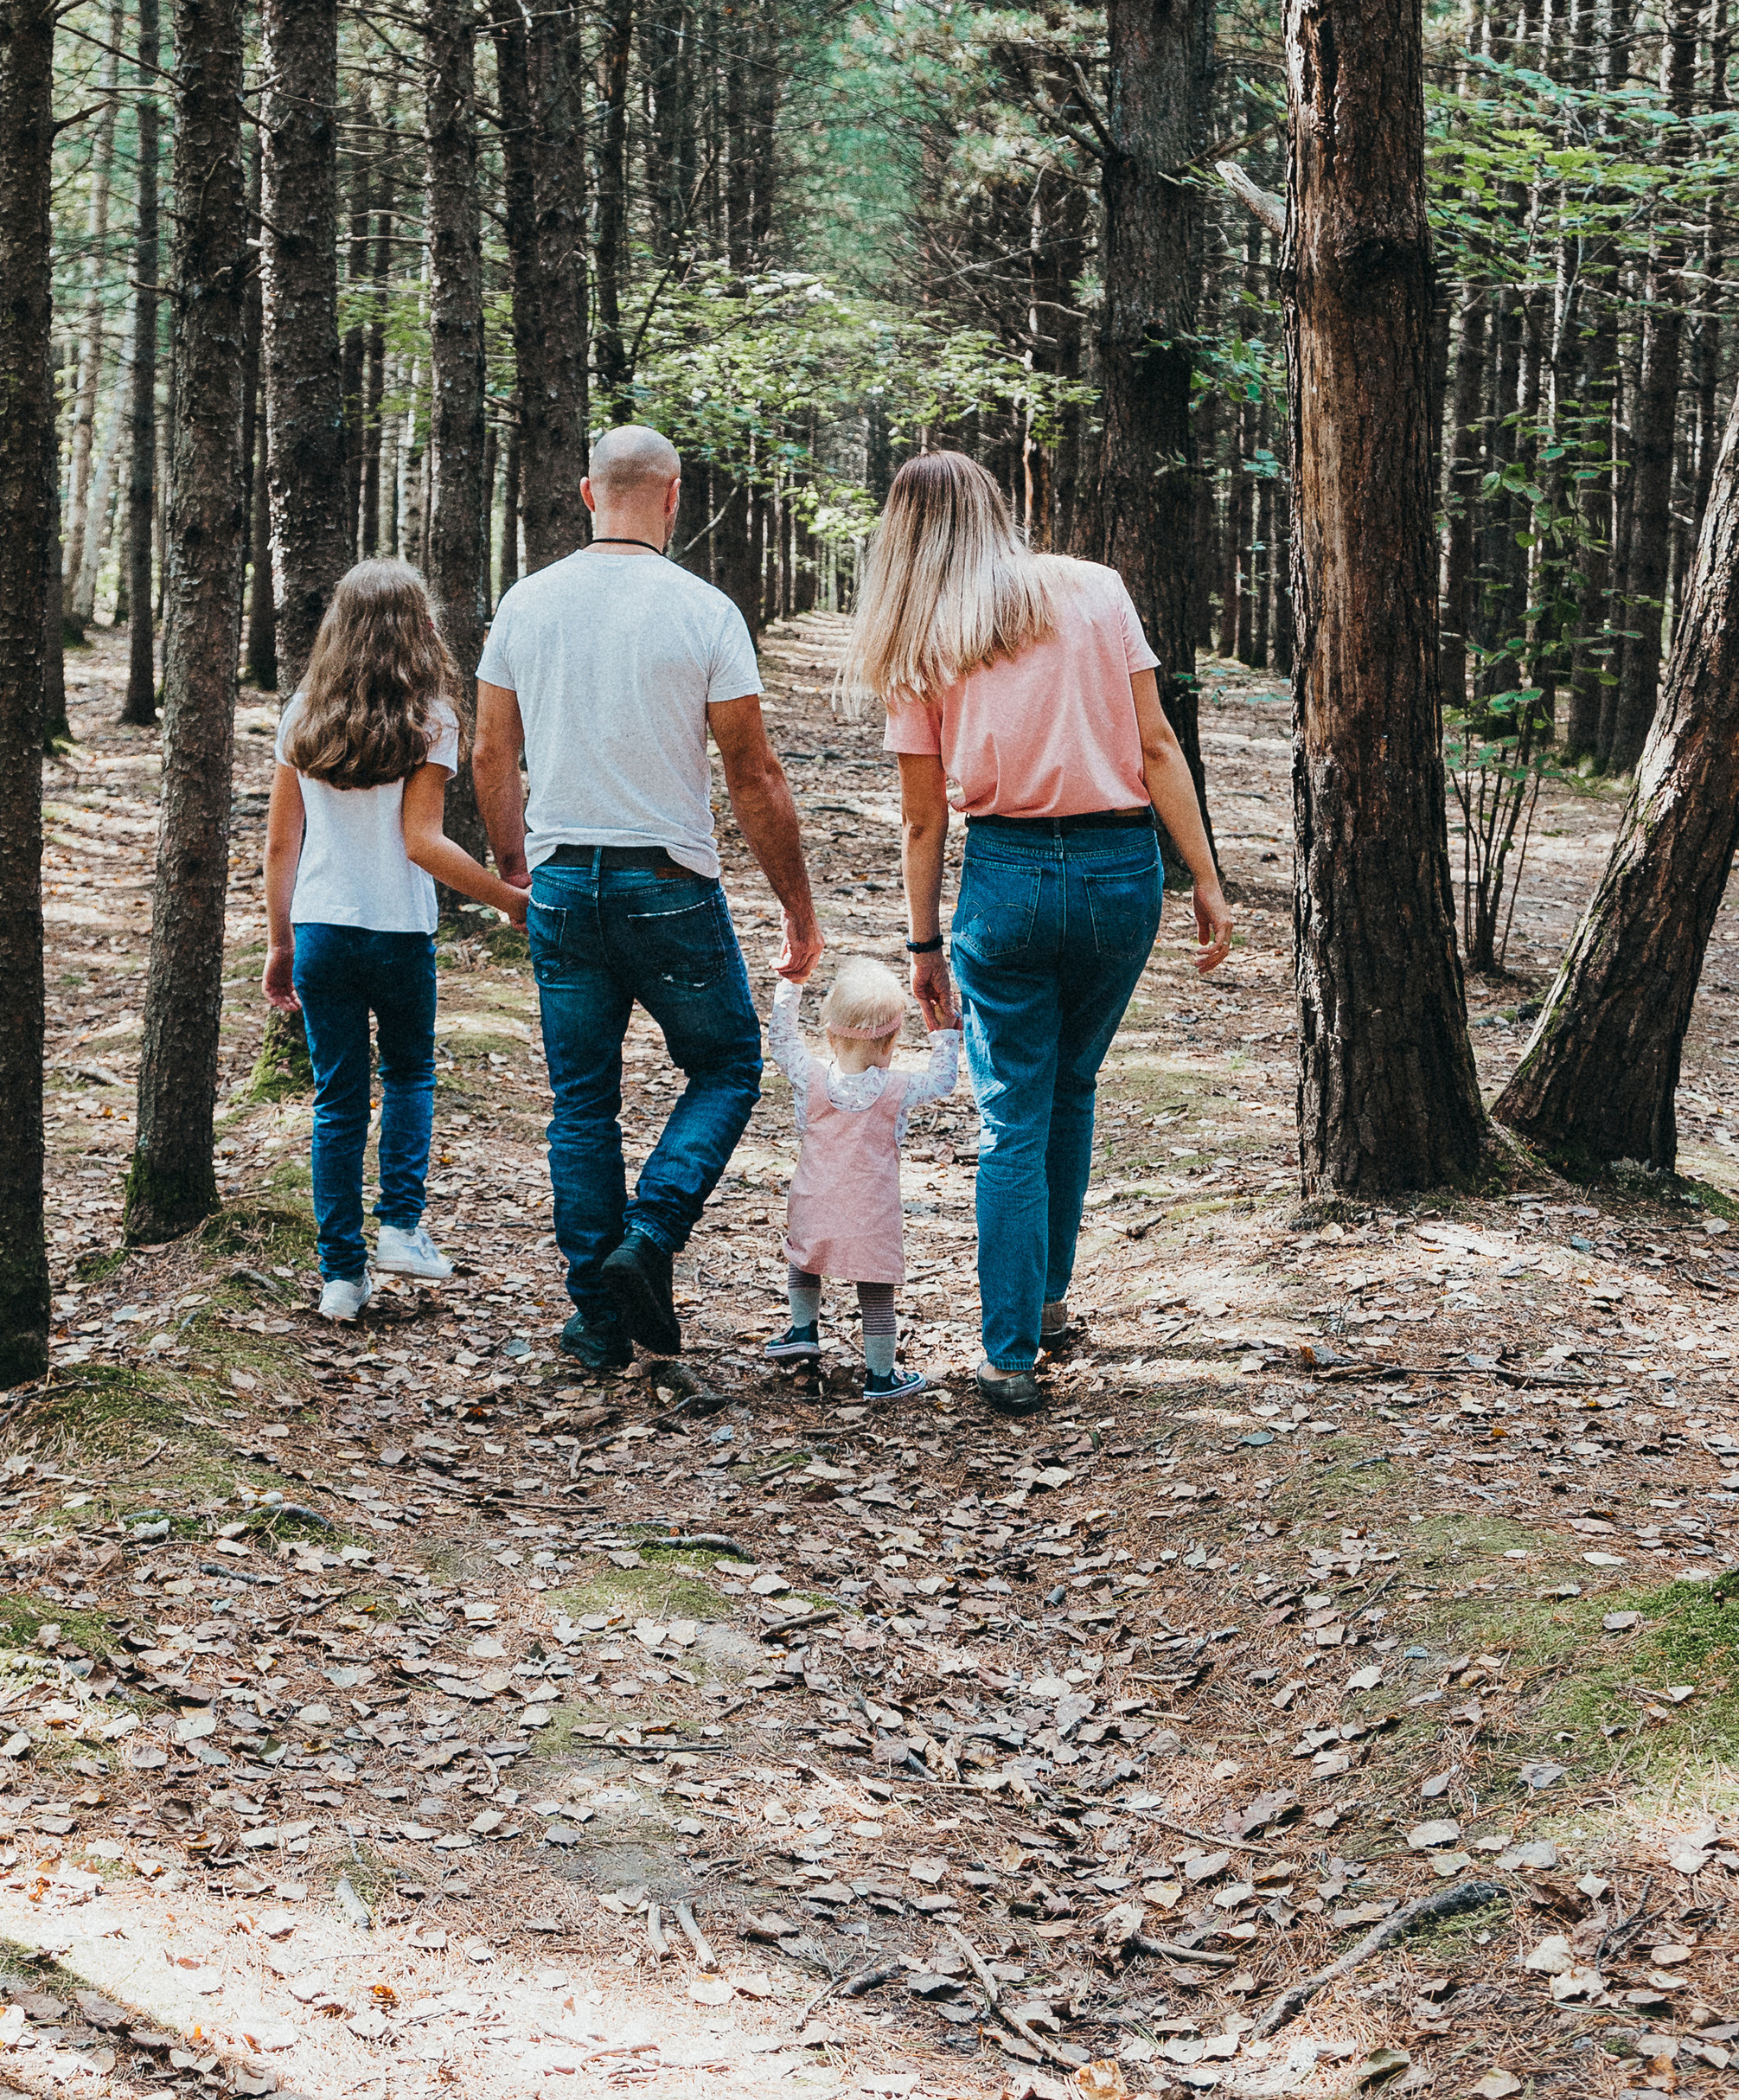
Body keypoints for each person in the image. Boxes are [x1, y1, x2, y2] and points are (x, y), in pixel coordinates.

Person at [845, 452, 1231, 1417]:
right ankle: (1050, 1299)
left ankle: (1009, 1351)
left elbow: (923, 818)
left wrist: (922, 945)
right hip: (1119, 872)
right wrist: (1207, 880)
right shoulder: (1094, 589)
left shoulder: (919, 634)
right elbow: (1154, 746)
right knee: (1072, 1084)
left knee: (1013, 1112)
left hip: (1005, 880)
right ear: (994, 509)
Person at [473, 424, 823, 1373]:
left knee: (580, 1102)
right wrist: (796, 906)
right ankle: (652, 1236)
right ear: (674, 498)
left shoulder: (525, 603)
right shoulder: (703, 610)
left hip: (560, 878)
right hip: (668, 882)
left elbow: (490, 752)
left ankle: (597, 1318)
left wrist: (515, 863)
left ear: (589, 496)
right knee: (725, 1067)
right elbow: (752, 774)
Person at [263, 560, 530, 1323]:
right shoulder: (431, 718)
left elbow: (282, 847)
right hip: (397, 933)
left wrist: (280, 943)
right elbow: (422, 842)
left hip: (319, 930)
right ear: (420, 630)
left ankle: (340, 1276)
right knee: (410, 1074)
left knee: (337, 1102)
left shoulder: (302, 713)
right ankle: (401, 1231)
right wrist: (511, 901)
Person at [764, 954, 962, 1405]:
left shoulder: (810, 1076)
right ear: (892, 1042)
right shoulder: (898, 1089)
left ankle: (802, 1328)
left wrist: (791, 984)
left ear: (831, 1035)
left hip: (812, 1202)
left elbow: (781, 1040)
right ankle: (880, 1376)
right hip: (871, 1216)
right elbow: (944, 1080)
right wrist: (945, 1033)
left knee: (803, 1258)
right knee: (875, 1292)